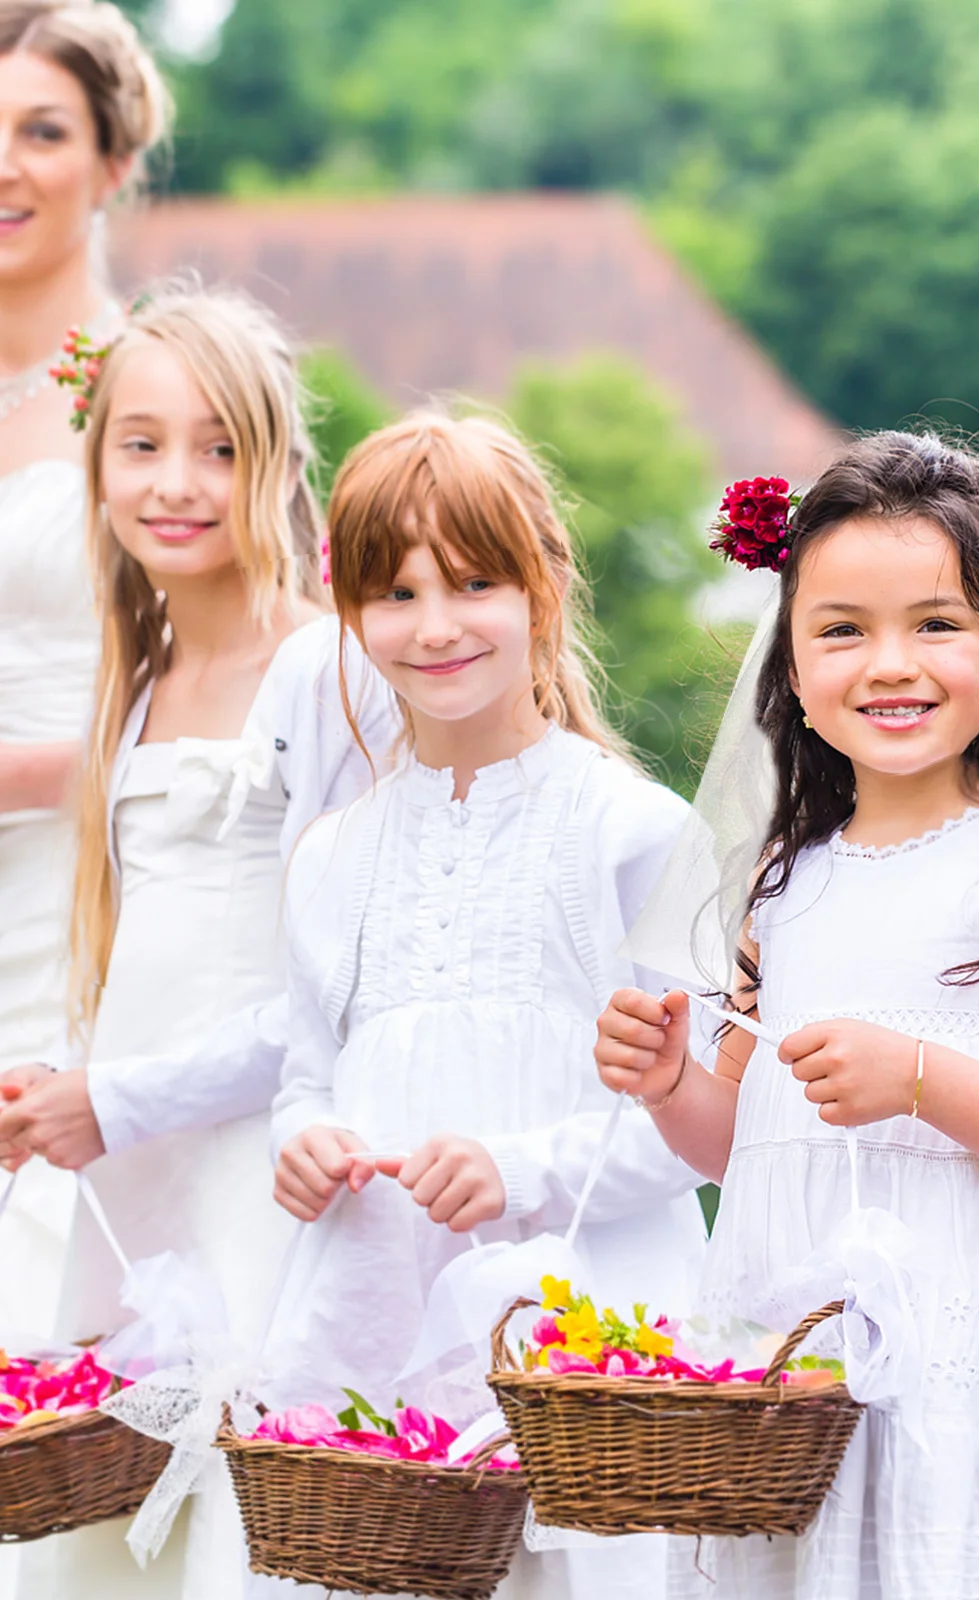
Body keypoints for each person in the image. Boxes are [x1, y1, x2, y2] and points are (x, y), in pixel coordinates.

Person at [597, 433, 979, 1599]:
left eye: (935, 623)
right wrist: (673, 1080)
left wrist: (923, 1078)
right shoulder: (778, 884)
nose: (889, 663)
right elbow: (746, 1145)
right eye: (842, 629)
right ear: (790, 658)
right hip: (805, 1398)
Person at [266, 412, 706, 1599]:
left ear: (545, 584)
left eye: (473, 581)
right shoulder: (327, 855)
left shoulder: (632, 831)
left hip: (584, 1342)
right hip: (379, 1329)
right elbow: (308, 1072)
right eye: (395, 592)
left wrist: (520, 1171)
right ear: (349, 613)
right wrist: (297, 1143)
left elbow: (697, 1129)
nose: (435, 625)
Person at [3, 285, 395, 1599]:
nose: (179, 482)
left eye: (221, 447)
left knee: (244, 1505)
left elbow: (342, 993)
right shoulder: (143, 669)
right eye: (144, 444)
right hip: (131, 1167)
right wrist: (63, 1083)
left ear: (276, 464)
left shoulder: (330, 671)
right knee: (111, 1527)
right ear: (97, 460)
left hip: (253, 1162)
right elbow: (135, 943)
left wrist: (113, 1098)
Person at [0, 0, 167, 1351]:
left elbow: (228, 679)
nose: (4, 165)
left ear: (114, 161)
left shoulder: (154, 391)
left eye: (40, 132)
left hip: (79, 890)